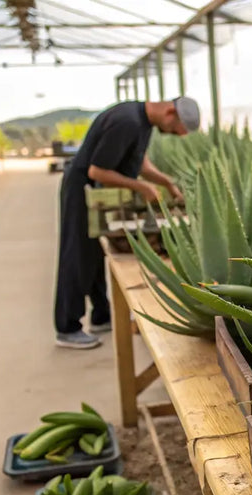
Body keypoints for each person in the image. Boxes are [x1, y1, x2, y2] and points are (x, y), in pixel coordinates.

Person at [54, 97, 200, 349]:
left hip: (95, 191)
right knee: (76, 255)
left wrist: (166, 183)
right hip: (82, 189)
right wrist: (141, 187)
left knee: (93, 254)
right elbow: (97, 171)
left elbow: (138, 161)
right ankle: (68, 328)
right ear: (170, 112)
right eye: (173, 130)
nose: (171, 135)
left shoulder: (141, 119)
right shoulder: (128, 122)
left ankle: (101, 316)